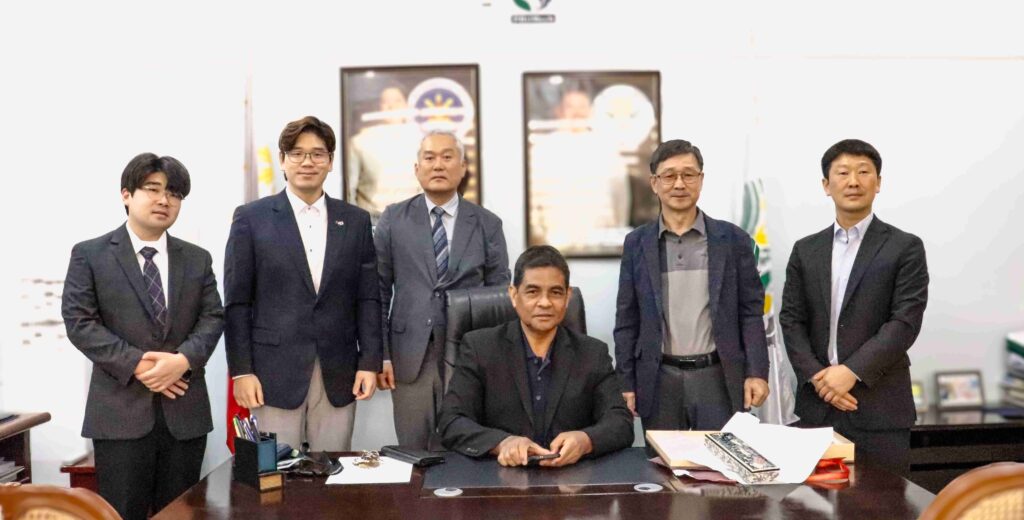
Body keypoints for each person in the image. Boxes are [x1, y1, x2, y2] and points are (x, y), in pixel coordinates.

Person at [62, 153, 224, 519]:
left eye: (174, 193)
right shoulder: (90, 254)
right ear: (126, 194)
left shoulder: (197, 259)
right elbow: (80, 322)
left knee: (181, 514)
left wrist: (182, 361)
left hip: (185, 414)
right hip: (119, 415)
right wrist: (140, 365)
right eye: (153, 189)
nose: (164, 200)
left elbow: (213, 317)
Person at [224, 115, 382, 452]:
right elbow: (237, 303)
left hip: (338, 370)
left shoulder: (355, 221)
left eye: (317, 154)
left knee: (332, 470)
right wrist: (241, 371)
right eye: (296, 153)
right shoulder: (251, 218)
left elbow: (368, 298)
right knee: (273, 472)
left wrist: (369, 362)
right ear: (282, 160)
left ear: (330, 161)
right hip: (271, 374)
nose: (307, 162)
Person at [780, 138, 928, 476]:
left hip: (878, 409)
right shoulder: (806, 250)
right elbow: (791, 320)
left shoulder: (904, 247)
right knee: (812, 501)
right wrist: (819, 379)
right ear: (826, 185)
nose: (853, 181)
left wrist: (850, 372)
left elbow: (904, 322)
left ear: (878, 182)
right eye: (843, 173)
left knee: (885, 501)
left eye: (863, 172)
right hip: (817, 408)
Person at [614, 139, 770, 434]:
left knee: (721, 461)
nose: (679, 184)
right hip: (658, 379)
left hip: (718, 377)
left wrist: (757, 372)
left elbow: (750, 312)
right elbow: (627, 319)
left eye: (688, 174)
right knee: (661, 462)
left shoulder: (733, 240)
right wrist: (626, 381)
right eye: (669, 175)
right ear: (654, 183)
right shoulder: (637, 244)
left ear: (701, 179)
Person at [374, 130, 510, 450]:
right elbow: (377, 292)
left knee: (469, 446)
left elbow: (500, 298)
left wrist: (497, 359)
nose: (438, 165)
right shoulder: (393, 219)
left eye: (448, 157)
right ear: (417, 168)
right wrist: (382, 355)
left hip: (469, 353)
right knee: (414, 449)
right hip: (409, 355)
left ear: (463, 168)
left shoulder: (487, 223)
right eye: (430, 157)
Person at [439, 246, 634, 467]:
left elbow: (621, 422)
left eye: (556, 292)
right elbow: (451, 422)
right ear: (514, 295)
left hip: (572, 478)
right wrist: (502, 443)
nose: (545, 302)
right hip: (499, 477)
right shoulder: (479, 348)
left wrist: (586, 441)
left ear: (567, 297)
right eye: (533, 292)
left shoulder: (592, 353)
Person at [347, 86, 425, 217]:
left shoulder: (422, 142)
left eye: (397, 101)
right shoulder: (359, 141)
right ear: (379, 107)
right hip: (371, 217)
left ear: (406, 105)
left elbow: (426, 183)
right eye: (385, 102)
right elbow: (350, 188)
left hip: (411, 217)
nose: (391, 106)